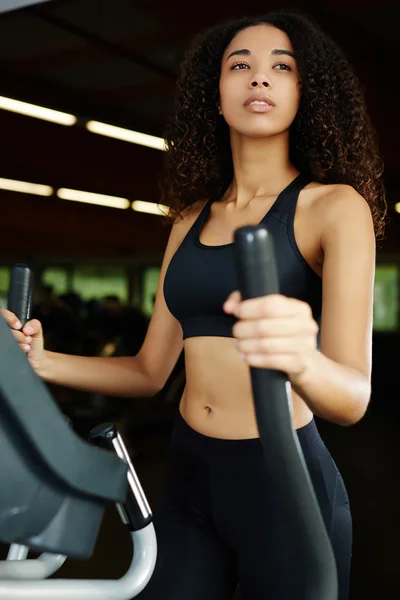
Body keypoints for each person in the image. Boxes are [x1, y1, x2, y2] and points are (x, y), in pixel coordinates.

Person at [1, 10, 388, 600]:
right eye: (241, 65)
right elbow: (148, 371)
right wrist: (42, 362)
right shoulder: (189, 221)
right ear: (216, 96)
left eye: (282, 67)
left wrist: (300, 360)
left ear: (305, 95)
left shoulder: (334, 209)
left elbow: (354, 399)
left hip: (284, 484)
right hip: (189, 476)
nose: (259, 78)